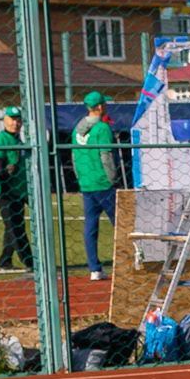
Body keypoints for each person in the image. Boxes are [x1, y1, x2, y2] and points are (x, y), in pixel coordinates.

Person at [72, 92, 117, 283]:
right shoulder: (101, 128)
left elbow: (74, 156)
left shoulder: (76, 130)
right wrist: (113, 178)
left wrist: (80, 177)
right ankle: (130, 261)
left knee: (90, 225)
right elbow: (106, 156)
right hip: (103, 182)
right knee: (121, 224)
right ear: (100, 107)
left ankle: (94, 268)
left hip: (86, 183)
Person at [0, 107, 32, 272]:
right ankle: (30, 262)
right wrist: (7, 172)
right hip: (6, 191)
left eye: (18, 119)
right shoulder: (0, 139)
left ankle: (5, 261)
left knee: (13, 226)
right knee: (15, 227)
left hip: (18, 191)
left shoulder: (19, 140)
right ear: (4, 120)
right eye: (12, 119)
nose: (16, 123)